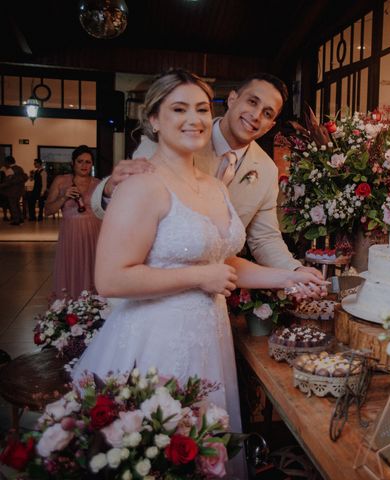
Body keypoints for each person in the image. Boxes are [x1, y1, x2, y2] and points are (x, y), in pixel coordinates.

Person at [72, 70, 325, 478]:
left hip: (209, 336)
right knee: (153, 455)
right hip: (155, 336)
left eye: (201, 109)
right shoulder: (142, 177)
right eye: (179, 109)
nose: (194, 119)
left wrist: (291, 276)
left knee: (201, 449)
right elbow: (112, 278)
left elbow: (226, 258)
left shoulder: (215, 186)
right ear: (153, 120)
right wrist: (200, 278)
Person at [91, 72, 321, 280]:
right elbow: (127, 201)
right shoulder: (177, 137)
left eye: (267, 113)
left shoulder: (266, 170)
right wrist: (112, 188)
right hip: (148, 284)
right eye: (252, 102)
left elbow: (264, 238)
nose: (256, 115)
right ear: (232, 99)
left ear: (270, 126)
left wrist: (294, 271)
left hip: (216, 290)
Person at [45, 146, 101, 299]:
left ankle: (91, 310)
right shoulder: (61, 181)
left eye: (88, 162)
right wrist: (63, 197)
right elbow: (48, 210)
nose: (84, 165)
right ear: (73, 163)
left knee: (91, 269)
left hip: (93, 234)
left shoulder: (98, 184)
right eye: (80, 161)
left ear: (92, 165)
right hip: (70, 234)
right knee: (71, 268)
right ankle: (68, 309)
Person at [0, 156, 27, 226]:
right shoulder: (20, 168)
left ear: (8, 162)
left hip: (12, 191)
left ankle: (16, 220)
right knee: (17, 205)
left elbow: (8, 182)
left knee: (13, 205)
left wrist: (1, 186)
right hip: (20, 190)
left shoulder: (10, 170)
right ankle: (21, 219)